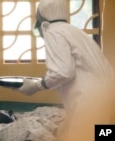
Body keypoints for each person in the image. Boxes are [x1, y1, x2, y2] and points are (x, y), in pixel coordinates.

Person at [7, 0, 114, 141]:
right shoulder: (74, 31)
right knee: (100, 134)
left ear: (42, 17)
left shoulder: (53, 32)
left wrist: (36, 86)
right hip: (105, 94)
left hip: (89, 99)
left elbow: (62, 72)